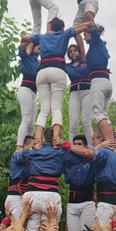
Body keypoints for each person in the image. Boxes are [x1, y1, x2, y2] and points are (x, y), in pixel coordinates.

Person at [24, 18, 93, 147]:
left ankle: (37, 141)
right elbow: (83, 28)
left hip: (42, 72)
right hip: (57, 71)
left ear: (51, 27)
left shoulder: (41, 37)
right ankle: (56, 141)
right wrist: (88, 24)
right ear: (62, 27)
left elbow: (24, 38)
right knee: (56, 108)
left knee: (44, 109)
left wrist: (28, 49)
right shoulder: (65, 34)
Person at [16, 128, 85, 231]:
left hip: (32, 196)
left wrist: (30, 146)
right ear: (56, 137)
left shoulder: (34, 150)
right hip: (51, 196)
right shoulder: (61, 152)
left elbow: (17, 158)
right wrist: (65, 144)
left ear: (43, 136)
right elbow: (79, 158)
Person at [84, 25, 114, 142]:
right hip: (106, 81)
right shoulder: (99, 46)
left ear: (92, 33)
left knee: (97, 113)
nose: (83, 35)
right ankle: (111, 143)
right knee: (104, 114)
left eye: (85, 33)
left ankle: (110, 143)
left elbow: (91, 24)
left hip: (98, 81)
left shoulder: (96, 42)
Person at [65, 135, 96, 231]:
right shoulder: (68, 159)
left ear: (85, 146)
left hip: (87, 203)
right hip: (72, 204)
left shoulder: (91, 159)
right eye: (75, 144)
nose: (77, 147)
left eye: (80, 144)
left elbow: (94, 152)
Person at [66, 45, 93, 146]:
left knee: (86, 121)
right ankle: (71, 148)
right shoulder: (67, 66)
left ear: (79, 52)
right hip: (74, 94)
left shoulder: (86, 63)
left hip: (86, 92)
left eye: (75, 50)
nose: (73, 53)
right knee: (73, 123)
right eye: (70, 52)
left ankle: (91, 147)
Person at [16, 37, 39, 150]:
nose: (40, 51)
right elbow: (22, 44)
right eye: (38, 48)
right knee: (26, 119)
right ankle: (19, 146)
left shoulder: (39, 62)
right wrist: (32, 41)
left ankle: (28, 146)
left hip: (34, 92)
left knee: (32, 121)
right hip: (25, 89)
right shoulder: (26, 57)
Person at [4, 135, 34, 220]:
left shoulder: (29, 162)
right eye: (32, 147)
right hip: (16, 197)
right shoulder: (17, 154)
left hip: (21, 197)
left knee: (21, 228)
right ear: (25, 146)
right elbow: (21, 156)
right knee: (17, 228)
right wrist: (29, 148)